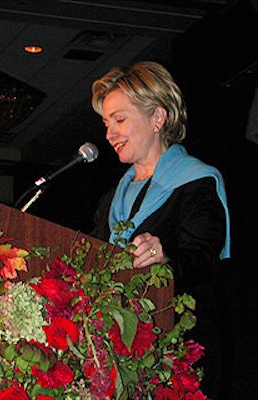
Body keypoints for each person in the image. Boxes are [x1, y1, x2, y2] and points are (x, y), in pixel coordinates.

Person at [90, 61, 231, 399]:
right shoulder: (112, 199)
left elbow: (203, 259)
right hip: (118, 361)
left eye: (120, 120)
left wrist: (165, 255)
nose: (109, 134)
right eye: (106, 122)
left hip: (181, 359)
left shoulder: (196, 183)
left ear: (158, 117)